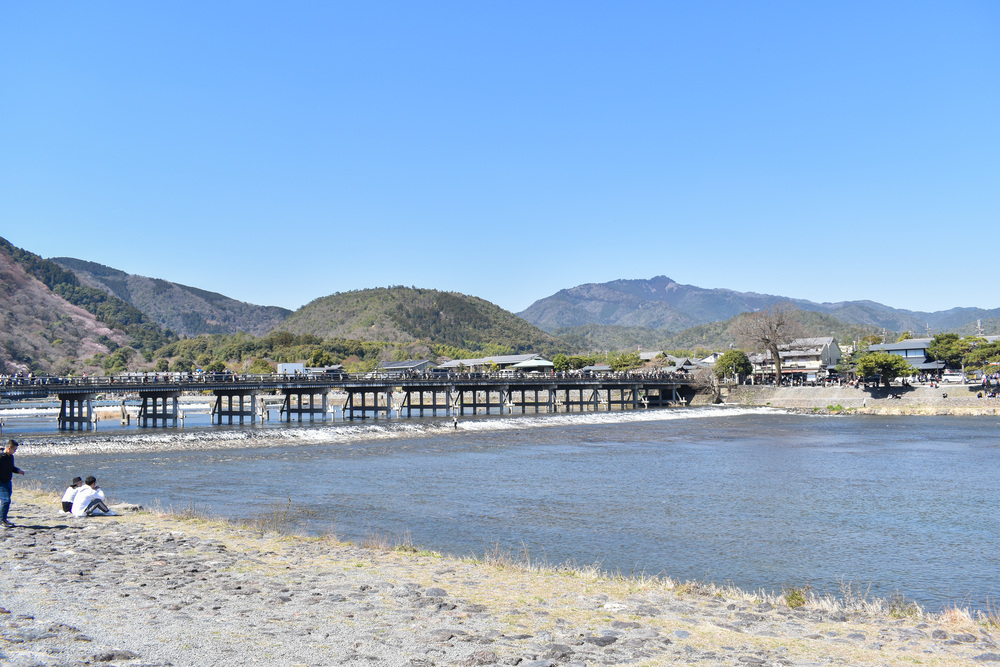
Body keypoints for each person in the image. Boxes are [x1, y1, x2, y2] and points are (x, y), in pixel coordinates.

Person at [0, 439, 25, 527]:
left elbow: (12, 468)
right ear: (9, 448)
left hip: (8, 481)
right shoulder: (1, 457)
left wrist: (18, 471)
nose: (15, 451)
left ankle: (4, 519)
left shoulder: (10, 457)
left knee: (6, 501)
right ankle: (2, 520)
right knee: (6, 500)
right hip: (1, 482)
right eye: (14, 449)